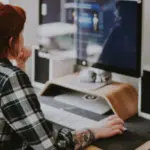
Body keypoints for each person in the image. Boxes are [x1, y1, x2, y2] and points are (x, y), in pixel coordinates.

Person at [0, 3, 125, 150]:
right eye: (21, 34)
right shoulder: (10, 78)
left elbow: (21, 114)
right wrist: (93, 132)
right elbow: (50, 146)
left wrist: (19, 67)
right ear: (11, 42)